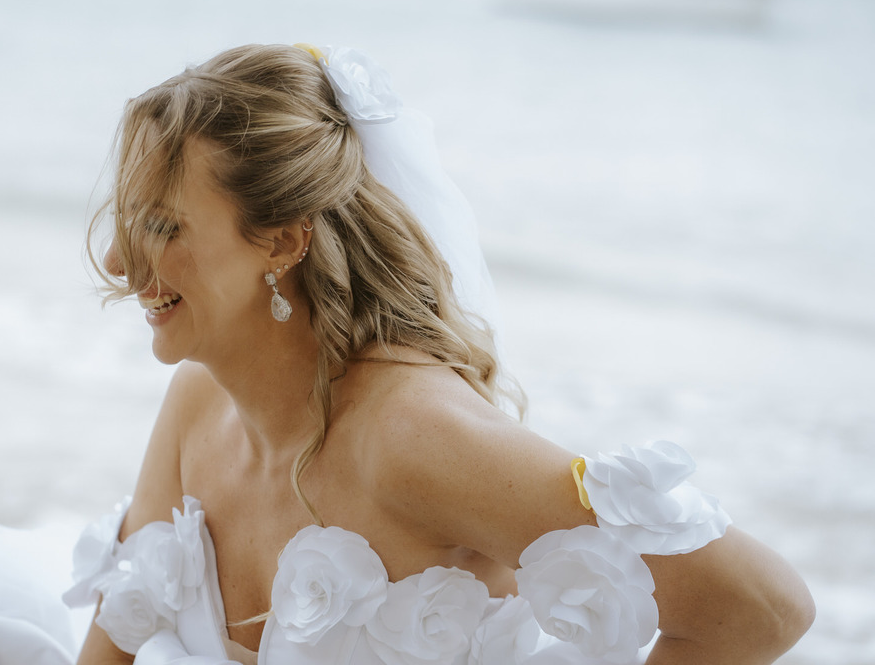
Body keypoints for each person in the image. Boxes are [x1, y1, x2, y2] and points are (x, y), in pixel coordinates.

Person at [65, 43, 815, 664]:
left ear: (284, 241)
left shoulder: (411, 439)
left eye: (163, 228)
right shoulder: (197, 406)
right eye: (129, 222)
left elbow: (759, 608)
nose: (118, 262)